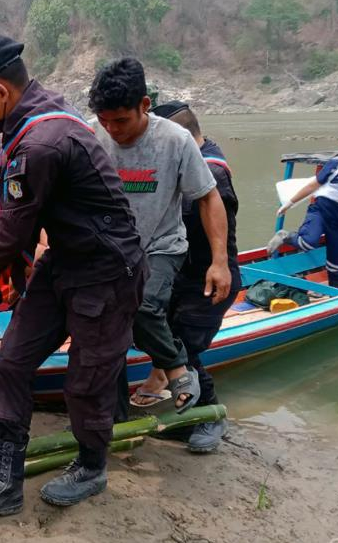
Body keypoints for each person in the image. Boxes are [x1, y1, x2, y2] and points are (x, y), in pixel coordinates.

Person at [0, 35, 146, 524]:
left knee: (86, 380)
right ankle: (5, 480)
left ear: (0, 93)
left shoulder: (40, 140)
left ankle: (93, 466)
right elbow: (24, 220)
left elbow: (13, 225)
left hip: (105, 271)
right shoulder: (39, 119)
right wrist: (8, 282)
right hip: (64, 261)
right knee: (12, 361)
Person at [88, 59, 231, 417]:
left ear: (145, 106)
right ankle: (114, 419)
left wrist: (219, 262)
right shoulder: (93, 133)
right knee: (109, 336)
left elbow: (209, 198)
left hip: (161, 246)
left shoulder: (175, 140)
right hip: (110, 250)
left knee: (144, 303)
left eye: (121, 120)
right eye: (105, 120)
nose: (113, 129)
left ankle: (177, 370)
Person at [150, 101, 240, 452]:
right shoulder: (193, 159)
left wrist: (218, 267)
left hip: (206, 279)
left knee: (184, 349)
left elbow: (214, 230)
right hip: (181, 275)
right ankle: (187, 414)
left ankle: (210, 416)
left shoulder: (211, 172)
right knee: (166, 340)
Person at [267, 134, 338, 288]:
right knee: (307, 242)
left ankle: (336, 290)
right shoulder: (335, 164)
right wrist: (289, 203)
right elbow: (313, 186)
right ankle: (285, 236)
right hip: (322, 211)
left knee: (337, 260)